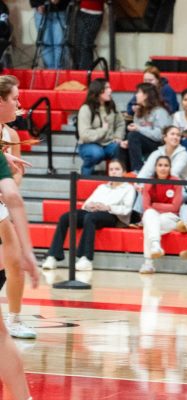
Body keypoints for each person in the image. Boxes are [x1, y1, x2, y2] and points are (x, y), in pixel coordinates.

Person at [0, 74, 39, 400]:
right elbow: (13, 198)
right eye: (14, 98)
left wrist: (5, 156)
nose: (19, 103)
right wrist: (29, 254)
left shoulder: (7, 135)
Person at [41, 159, 135, 271]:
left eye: (117, 169)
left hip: (112, 216)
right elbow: (85, 204)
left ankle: (86, 258)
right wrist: (91, 205)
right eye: (111, 169)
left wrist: (108, 207)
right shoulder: (102, 187)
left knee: (90, 218)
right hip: (93, 212)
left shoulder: (129, 188)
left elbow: (126, 210)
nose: (114, 172)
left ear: (124, 172)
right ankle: (53, 256)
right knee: (66, 217)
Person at [139, 156, 183, 274]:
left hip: (171, 217)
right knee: (149, 215)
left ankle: (148, 263)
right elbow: (146, 207)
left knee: (149, 225)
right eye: (160, 165)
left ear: (170, 168)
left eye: (166, 165)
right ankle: (156, 246)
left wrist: (155, 205)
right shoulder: (149, 182)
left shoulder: (176, 181)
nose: (163, 168)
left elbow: (175, 207)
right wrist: (155, 208)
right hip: (153, 216)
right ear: (155, 167)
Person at [78, 78, 125, 176]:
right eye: (107, 88)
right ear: (98, 91)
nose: (110, 90)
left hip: (108, 143)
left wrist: (118, 136)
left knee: (119, 148)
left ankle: (115, 179)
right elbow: (84, 135)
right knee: (96, 153)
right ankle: (84, 177)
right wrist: (103, 130)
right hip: (89, 144)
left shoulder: (112, 106)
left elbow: (120, 123)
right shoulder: (85, 109)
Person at [121, 83, 172, 172]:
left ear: (146, 95)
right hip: (144, 142)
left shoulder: (160, 111)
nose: (136, 95)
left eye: (138, 92)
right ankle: (121, 173)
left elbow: (161, 135)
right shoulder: (138, 112)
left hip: (159, 144)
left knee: (133, 135)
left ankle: (138, 171)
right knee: (122, 145)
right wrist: (127, 141)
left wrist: (139, 128)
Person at [31, 0, 69, 69]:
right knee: (45, 44)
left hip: (60, 10)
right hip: (41, 11)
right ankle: (50, 72)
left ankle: (59, 73)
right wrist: (37, 4)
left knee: (60, 45)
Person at [73, 0, 104, 70]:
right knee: (78, 44)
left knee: (86, 44)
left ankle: (84, 72)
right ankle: (77, 71)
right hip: (82, 12)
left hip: (96, 14)